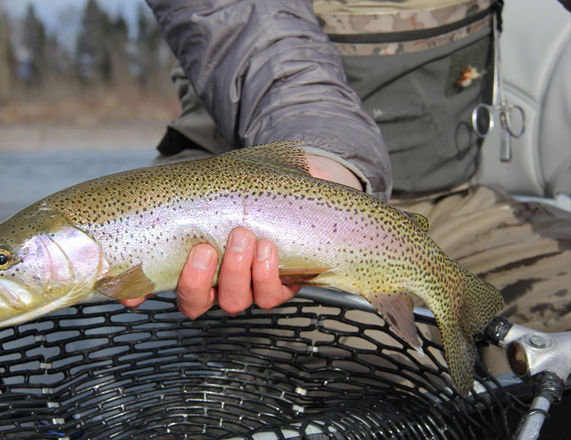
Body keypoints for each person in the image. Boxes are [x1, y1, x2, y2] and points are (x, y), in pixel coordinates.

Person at [122, 0, 570, 351]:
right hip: (228, 197)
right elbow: (264, 44)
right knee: (332, 369)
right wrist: (323, 169)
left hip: (448, 203)